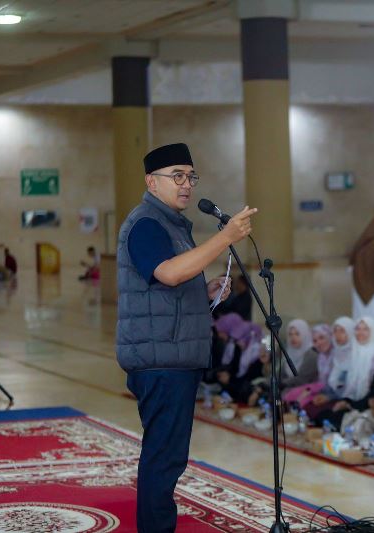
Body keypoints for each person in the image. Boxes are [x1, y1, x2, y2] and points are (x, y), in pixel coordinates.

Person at [116, 142, 256, 532]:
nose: (186, 184)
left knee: (168, 456)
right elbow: (169, 273)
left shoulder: (172, 225)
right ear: (151, 181)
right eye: (176, 176)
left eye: (190, 176)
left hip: (174, 355)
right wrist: (225, 237)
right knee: (164, 458)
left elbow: (173, 282)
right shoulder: (146, 223)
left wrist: (204, 290)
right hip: (162, 362)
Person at [313, 317, 374, 425]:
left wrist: (349, 403)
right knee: (323, 417)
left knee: (333, 419)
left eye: (365, 329)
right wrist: (346, 401)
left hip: (368, 402)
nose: (360, 333)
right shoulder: (355, 351)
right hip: (351, 399)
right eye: (358, 329)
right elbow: (348, 385)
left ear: (372, 331)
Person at [282, 324, 336, 408]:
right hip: (319, 391)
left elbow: (302, 379)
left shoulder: (312, 355)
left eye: (322, 338)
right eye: (315, 341)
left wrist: (281, 384)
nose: (319, 343)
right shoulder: (321, 358)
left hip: (330, 395)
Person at [281, 319, 319, 388]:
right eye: (290, 334)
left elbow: (301, 379)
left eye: (297, 334)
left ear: (305, 335)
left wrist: (280, 383)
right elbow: (280, 374)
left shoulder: (312, 355)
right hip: (289, 391)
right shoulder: (288, 354)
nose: (293, 338)